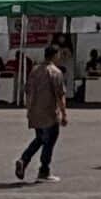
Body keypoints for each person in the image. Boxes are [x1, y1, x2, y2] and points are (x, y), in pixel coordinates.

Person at [14, 47, 68, 183]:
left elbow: (27, 90)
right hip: (49, 112)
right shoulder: (55, 72)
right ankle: (44, 170)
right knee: (50, 140)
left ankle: (24, 159)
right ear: (55, 55)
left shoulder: (35, 70)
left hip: (35, 111)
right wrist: (64, 114)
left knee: (40, 138)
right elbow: (60, 95)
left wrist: (29, 109)